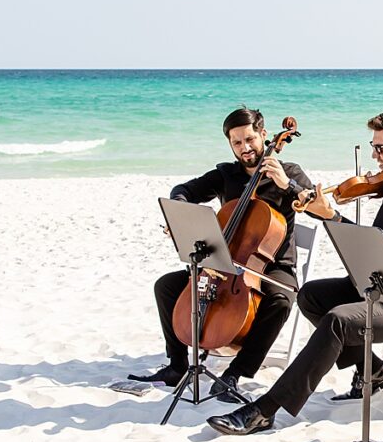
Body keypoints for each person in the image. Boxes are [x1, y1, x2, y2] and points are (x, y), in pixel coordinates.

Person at [206, 104, 383, 435]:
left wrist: (330, 216)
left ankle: (266, 409)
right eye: (373, 148)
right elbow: (376, 256)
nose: (375, 158)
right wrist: (330, 215)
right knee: (312, 296)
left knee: (338, 321)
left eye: (381, 148)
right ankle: (374, 370)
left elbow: (371, 252)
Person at [129, 107, 314, 402]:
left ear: (264, 136)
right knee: (166, 286)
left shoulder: (289, 172)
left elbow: (318, 205)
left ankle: (235, 373)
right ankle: (177, 366)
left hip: (273, 266)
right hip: (226, 265)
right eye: (237, 142)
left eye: (250, 139)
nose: (245, 148)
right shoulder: (226, 175)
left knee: (281, 300)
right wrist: (181, 215)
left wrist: (287, 185)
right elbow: (183, 191)